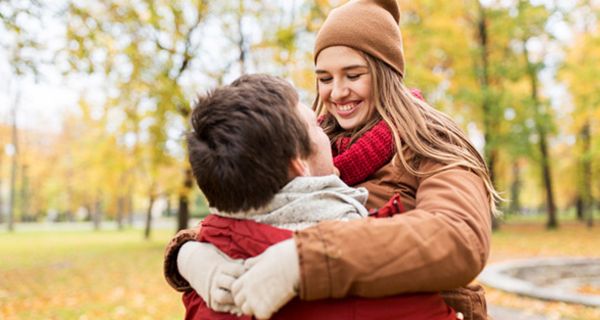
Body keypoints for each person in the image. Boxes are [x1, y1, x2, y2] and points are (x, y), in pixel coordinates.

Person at [165, 0, 498, 319]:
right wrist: (189, 254)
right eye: (325, 78)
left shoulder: (431, 141)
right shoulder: (310, 140)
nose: (337, 92)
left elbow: (460, 237)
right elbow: (253, 203)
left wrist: (307, 260)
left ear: (385, 73)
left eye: (353, 76)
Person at [179, 73, 457, 319]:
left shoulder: (202, 284)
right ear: (299, 161)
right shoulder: (386, 292)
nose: (327, 130)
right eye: (315, 126)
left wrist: (184, 255)